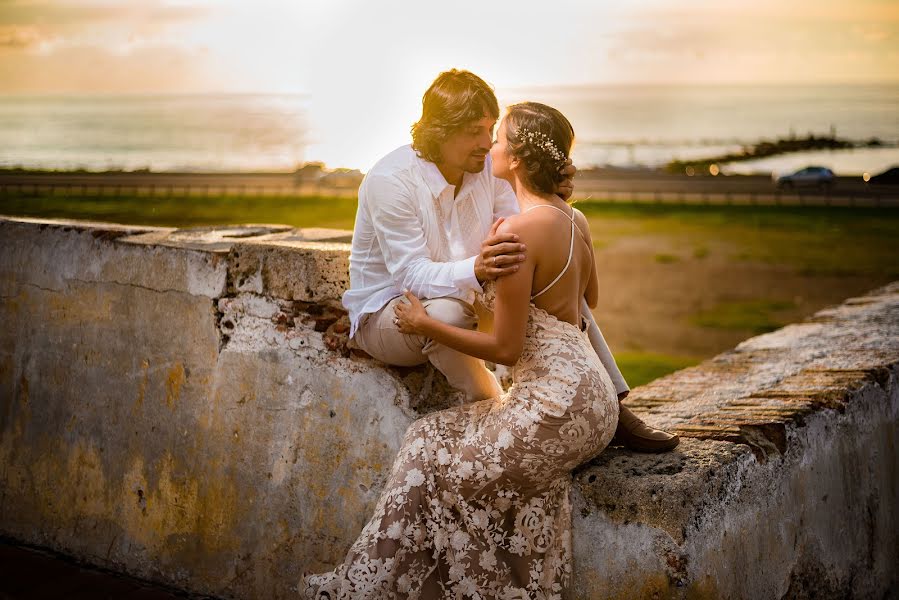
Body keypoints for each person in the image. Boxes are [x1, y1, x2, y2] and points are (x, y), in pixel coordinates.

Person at [300, 99, 637, 598]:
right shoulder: (575, 219)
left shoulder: (518, 232)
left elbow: (504, 346)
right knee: (441, 450)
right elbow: (590, 303)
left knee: (433, 460)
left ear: (517, 158)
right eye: (484, 133)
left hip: (554, 406)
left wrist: (422, 323)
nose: (491, 144)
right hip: (596, 404)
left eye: (498, 137)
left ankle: (367, 588)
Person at [340, 69, 678, 452]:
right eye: (474, 131)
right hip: (390, 313)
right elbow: (410, 275)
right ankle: (494, 412)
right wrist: (477, 269)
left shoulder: (483, 163)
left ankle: (615, 405)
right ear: (439, 130)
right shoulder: (390, 180)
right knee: (447, 313)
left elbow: (522, 225)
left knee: (547, 279)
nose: (487, 142)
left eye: (490, 129)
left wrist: (555, 200)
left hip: (464, 293)